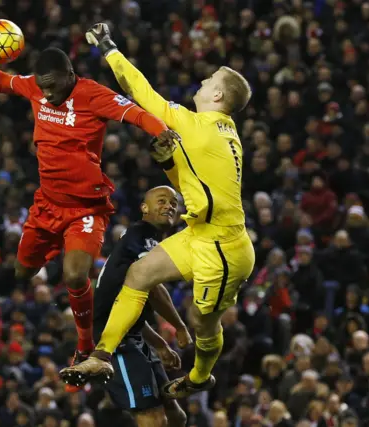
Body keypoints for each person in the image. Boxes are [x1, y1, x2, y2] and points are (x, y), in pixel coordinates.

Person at [0, 19, 177, 390]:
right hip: (46, 206)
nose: (47, 97)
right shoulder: (36, 87)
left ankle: (84, 349)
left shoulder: (91, 94)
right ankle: (41, 270)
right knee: (22, 273)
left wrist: (161, 131)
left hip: (85, 208)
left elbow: (134, 112)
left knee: (74, 275)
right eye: (43, 89)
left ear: (70, 73)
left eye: (53, 88)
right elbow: (1, 81)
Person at [61, 23, 255, 398]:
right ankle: (102, 354)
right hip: (202, 233)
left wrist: (108, 47)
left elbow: (140, 92)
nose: (202, 80)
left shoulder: (198, 127)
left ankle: (200, 376)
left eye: (209, 78)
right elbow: (191, 182)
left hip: (225, 250)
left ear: (217, 94)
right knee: (139, 273)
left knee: (202, 323)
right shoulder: (222, 132)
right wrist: (168, 164)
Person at [92, 186, 189, 427]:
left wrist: (160, 344)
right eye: (162, 201)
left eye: (174, 203)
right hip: (116, 343)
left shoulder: (146, 242)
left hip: (134, 336)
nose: (169, 206)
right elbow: (154, 288)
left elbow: (129, 310)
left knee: (177, 416)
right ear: (144, 208)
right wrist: (179, 327)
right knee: (153, 419)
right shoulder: (141, 235)